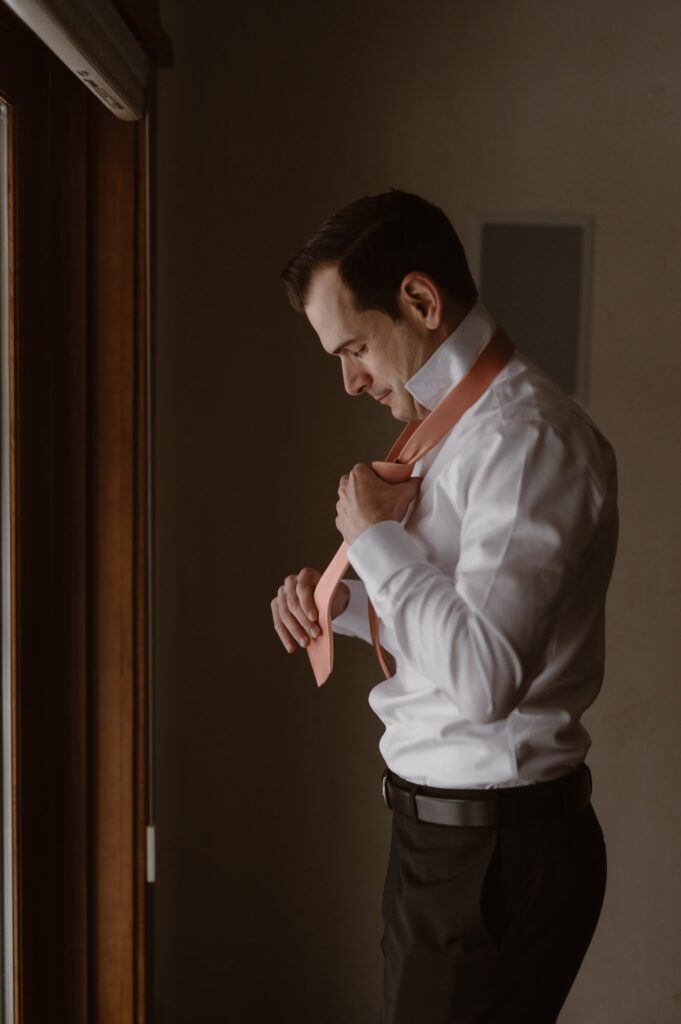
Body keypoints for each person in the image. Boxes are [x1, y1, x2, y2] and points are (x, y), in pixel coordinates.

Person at [270, 189, 618, 1023]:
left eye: (354, 346)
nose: (349, 380)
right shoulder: (454, 433)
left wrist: (378, 542)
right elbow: (461, 624)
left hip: (493, 855)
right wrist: (347, 607)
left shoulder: (525, 439)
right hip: (445, 843)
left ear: (420, 302)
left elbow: (486, 677)